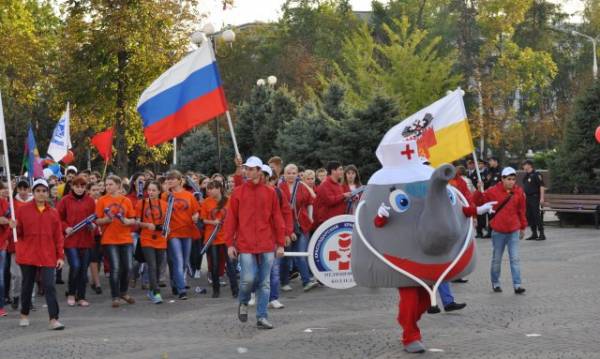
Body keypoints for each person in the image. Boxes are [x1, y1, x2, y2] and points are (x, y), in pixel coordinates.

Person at [224, 156, 285, 330]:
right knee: (247, 280)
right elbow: (231, 220)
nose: (248, 171)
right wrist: (229, 244)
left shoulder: (270, 193)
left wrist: (280, 243)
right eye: (246, 168)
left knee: (264, 283)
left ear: (260, 171)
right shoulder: (238, 192)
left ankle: (262, 317)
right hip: (245, 244)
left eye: (251, 169)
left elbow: (277, 218)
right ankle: (243, 302)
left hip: (266, 243)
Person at [15, 178, 65, 330]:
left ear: (48, 193)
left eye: (44, 191)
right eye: (38, 191)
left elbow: (58, 236)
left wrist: (60, 256)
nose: (41, 194)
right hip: (28, 254)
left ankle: (54, 319)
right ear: (33, 192)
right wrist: (14, 226)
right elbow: (19, 233)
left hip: (48, 255)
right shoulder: (22, 210)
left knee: (49, 285)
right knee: (27, 285)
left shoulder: (53, 212)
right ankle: (24, 314)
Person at [474, 167, 527, 294]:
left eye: (513, 179)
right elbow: (478, 201)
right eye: (509, 179)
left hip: (513, 229)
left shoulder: (519, 192)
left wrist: (523, 227)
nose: (511, 182)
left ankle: (517, 285)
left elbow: (521, 210)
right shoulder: (493, 191)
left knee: (514, 258)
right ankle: (496, 283)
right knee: (497, 259)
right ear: (502, 179)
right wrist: (478, 190)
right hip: (498, 230)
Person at [95, 175, 137, 307]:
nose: (108, 187)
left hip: (125, 238)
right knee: (116, 268)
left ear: (119, 185)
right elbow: (97, 220)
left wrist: (126, 221)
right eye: (106, 185)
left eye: (110, 184)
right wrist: (107, 220)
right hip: (109, 239)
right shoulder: (102, 200)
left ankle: (123, 292)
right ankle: (115, 296)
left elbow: (133, 219)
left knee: (128, 267)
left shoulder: (126, 200)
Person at [278, 164, 318, 293]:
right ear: (284, 175)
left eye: (293, 173)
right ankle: (284, 282)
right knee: (286, 256)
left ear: (297, 174)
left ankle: (306, 281)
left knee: (301, 254)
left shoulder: (302, 186)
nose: (291, 175)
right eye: (288, 173)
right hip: (286, 226)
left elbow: (311, 201)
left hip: (302, 225)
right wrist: (285, 231)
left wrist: (310, 217)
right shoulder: (279, 188)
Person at [56, 175, 96, 307]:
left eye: (82, 186)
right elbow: (58, 218)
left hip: (86, 239)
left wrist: (93, 225)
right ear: (72, 186)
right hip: (71, 240)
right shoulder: (65, 200)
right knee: (76, 266)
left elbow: (93, 218)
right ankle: (72, 293)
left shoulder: (90, 201)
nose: (79, 189)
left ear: (86, 187)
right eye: (77, 186)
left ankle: (81, 296)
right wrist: (65, 227)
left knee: (84, 269)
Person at [162, 170, 201, 300]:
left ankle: (175, 283)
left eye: (172, 179)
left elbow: (196, 211)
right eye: (168, 179)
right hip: (173, 232)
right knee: (178, 260)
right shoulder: (166, 196)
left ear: (180, 180)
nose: (170, 181)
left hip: (187, 231)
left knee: (184, 262)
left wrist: (196, 216)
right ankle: (181, 289)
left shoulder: (188, 195)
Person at [200, 180, 238, 298]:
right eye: (208, 189)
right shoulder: (206, 202)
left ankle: (235, 290)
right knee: (214, 265)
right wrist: (213, 221)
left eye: (212, 188)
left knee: (230, 265)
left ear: (219, 189)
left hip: (227, 237)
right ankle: (216, 290)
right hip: (212, 238)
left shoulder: (229, 200)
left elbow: (236, 217)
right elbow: (202, 220)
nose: (209, 191)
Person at [135, 181, 167, 304]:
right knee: (152, 265)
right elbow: (137, 222)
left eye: (154, 190)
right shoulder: (141, 203)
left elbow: (167, 222)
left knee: (158, 266)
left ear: (159, 191)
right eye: (149, 190)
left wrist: (166, 228)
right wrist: (146, 225)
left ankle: (152, 289)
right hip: (146, 238)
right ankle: (156, 292)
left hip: (161, 239)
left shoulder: (164, 204)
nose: (151, 193)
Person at [314, 161, 352, 227]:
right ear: (333, 171)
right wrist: (343, 195)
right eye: (340, 169)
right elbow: (329, 201)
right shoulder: (325, 185)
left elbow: (339, 200)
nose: (342, 172)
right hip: (328, 222)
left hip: (337, 220)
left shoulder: (338, 185)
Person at [522, 160, 546, 241]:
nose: (523, 167)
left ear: (529, 165)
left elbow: (542, 186)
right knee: (529, 215)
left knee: (536, 215)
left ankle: (542, 233)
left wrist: (542, 198)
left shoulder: (537, 174)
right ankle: (534, 233)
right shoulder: (526, 176)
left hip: (535, 197)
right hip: (527, 198)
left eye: (524, 165)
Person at [86, 181, 104, 295]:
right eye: (93, 190)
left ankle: (93, 280)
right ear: (88, 192)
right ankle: (97, 284)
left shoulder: (102, 201)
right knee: (93, 259)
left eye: (97, 190)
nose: (96, 192)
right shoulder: (87, 202)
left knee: (98, 259)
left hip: (102, 234)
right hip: (91, 234)